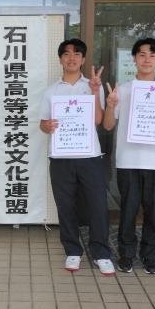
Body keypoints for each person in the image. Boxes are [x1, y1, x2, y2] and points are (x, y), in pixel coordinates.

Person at [103, 38, 155, 274]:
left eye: (152, 55)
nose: (147, 59)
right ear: (134, 59)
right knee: (128, 211)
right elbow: (108, 125)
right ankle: (126, 255)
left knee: (153, 212)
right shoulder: (123, 90)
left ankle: (150, 256)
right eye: (142, 55)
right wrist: (110, 105)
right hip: (128, 161)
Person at [39, 38, 115, 275]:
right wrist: (46, 126)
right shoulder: (51, 91)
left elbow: (98, 120)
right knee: (66, 205)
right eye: (67, 54)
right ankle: (72, 251)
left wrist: (95, 91)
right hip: (60, 157)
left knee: (97, 204)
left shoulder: (92, 86)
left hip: (90, 156)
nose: (71, 58)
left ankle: (101, 253)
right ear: (60, 59)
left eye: (76, 54)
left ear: (83, 59)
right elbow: (43, 123)